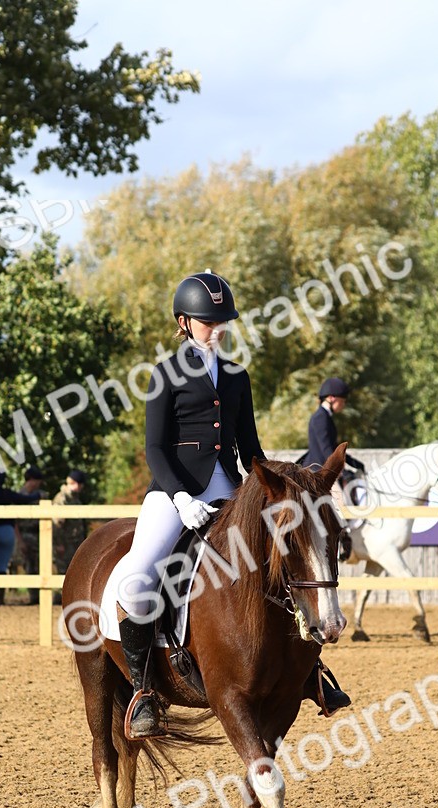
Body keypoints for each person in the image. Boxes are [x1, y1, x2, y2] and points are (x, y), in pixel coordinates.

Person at [109, 270, 350, 738]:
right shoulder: (165, 374)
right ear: (184, 322)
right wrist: (181, 498)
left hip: (231, 491)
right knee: (139, 578)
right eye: (208, 321)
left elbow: (250, 447)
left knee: (283, 558)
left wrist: (282, 486)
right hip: (173, 493)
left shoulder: (237, 376)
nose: (217, 329)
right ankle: (143, 691)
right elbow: (155, 449)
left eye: (223, 321)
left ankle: (310, 669)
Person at [301, 377, 367, 557]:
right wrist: (340, 470)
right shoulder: (320, 418)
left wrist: (354, 463)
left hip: (326, 466)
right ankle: (340, 542)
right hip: (319, 470)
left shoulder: (326, 418)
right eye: (342, 401)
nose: (343, 404)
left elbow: (334, 448)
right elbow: (326, 451)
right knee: (341, 500)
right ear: (331, 398)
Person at [0, 468, 39, 604]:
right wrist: (37, 495)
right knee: (2, 565)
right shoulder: (5, 493)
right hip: (5, 530)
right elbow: (23, 499)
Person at [16, 465, 50, 605]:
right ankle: (33, 597)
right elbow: (15, 522)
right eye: (36, 481)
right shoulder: (19, 496)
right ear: (29, 480)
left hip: (40, 534)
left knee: (42, 566)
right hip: (25, 534)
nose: (38, 484)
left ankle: (42, 597)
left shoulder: (42, 495)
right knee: (28, 566)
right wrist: (20, 541)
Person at [53, 468, 89, 579]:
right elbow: (57, 523)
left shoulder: (75, 499)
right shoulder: (62, 499)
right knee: (63, 576)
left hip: (74, 545)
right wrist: (58, 543)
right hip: (65, 545)